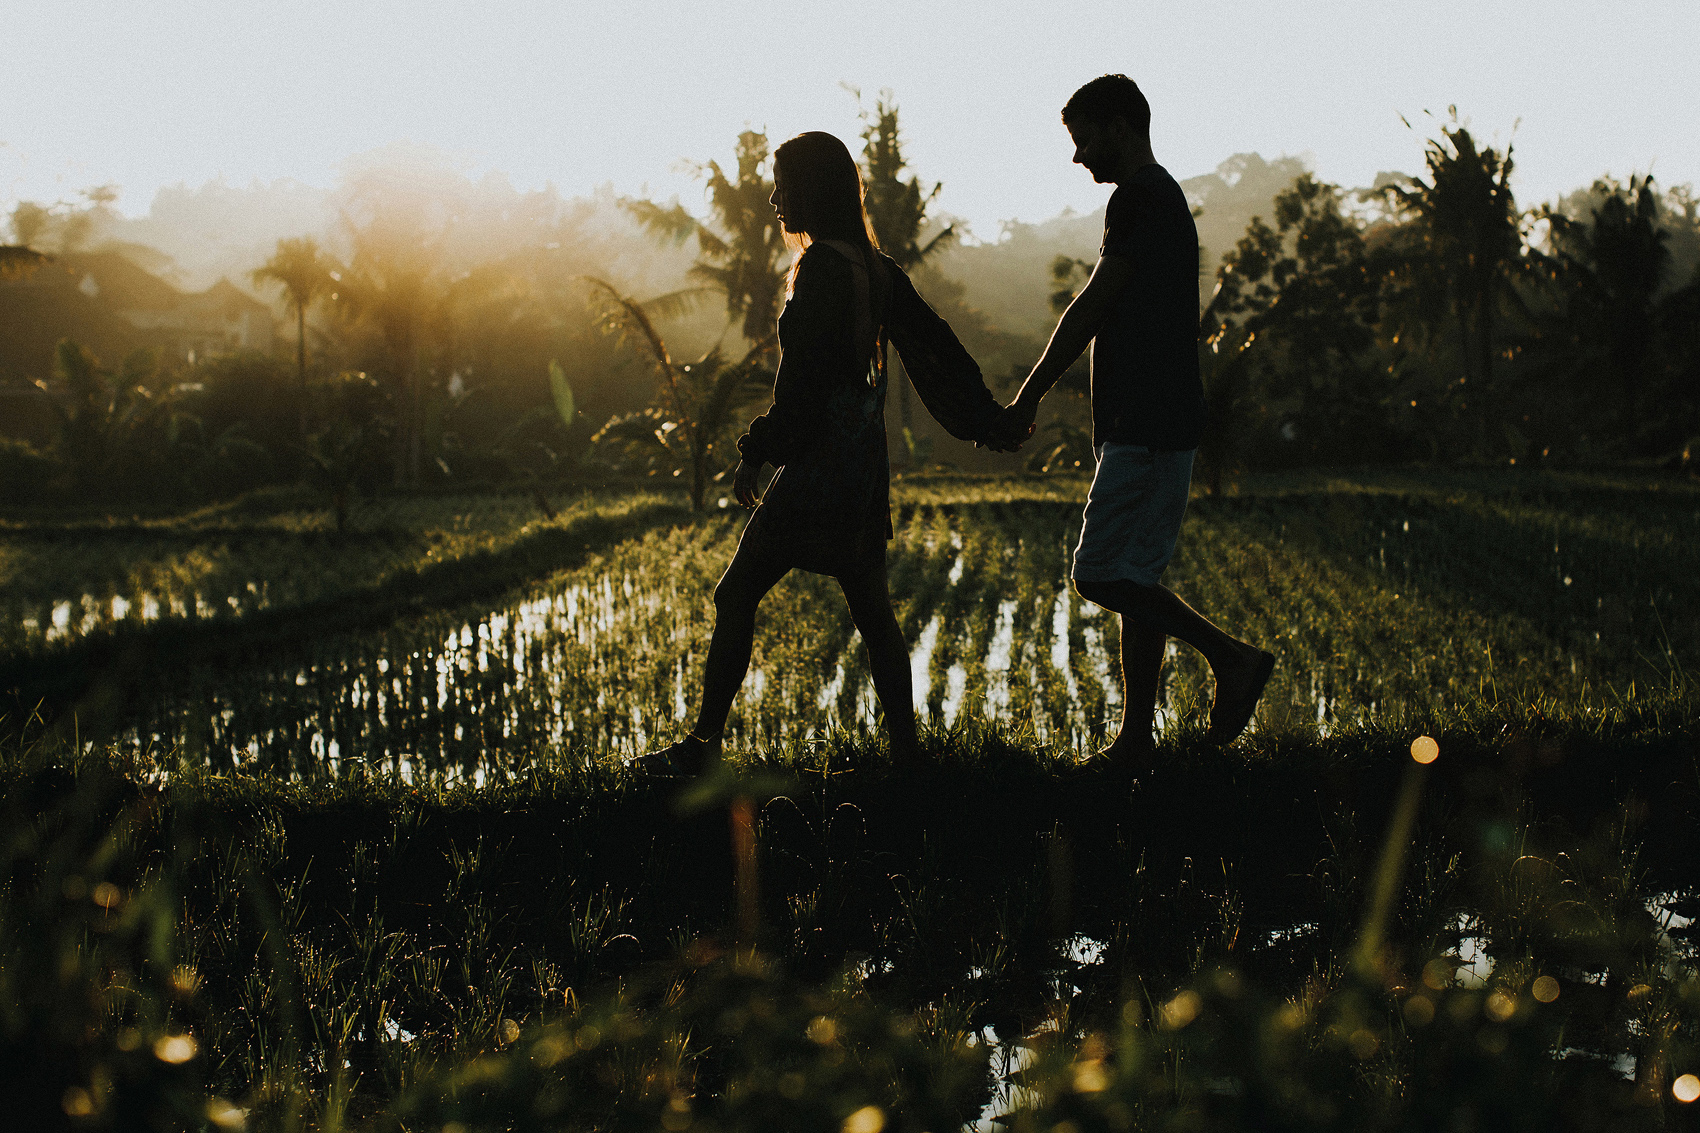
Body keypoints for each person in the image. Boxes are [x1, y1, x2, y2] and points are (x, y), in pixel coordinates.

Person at [650, 130, 1015, 775]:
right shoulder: (874, 267)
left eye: (783, 184)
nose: (774, 197)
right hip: (860, 463)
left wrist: (759, 450)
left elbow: (804, 383)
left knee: (738, 593)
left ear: (810, 191)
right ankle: (906, 755)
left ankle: (705, 743)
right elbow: (937, 345)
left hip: (817, 464)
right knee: (871, 606)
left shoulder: (821, 267)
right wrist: (986, 418)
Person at [992, 75, 1274, 763]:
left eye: (1083, 138)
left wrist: (1026, 398)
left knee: (1097, 574)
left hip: (1145, 422)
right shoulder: (1164, 198)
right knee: (1136, 581)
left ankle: (1232, 657)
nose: (1079, 155)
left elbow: (1091, 307)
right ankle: (1137, 738)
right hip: (1164, 418)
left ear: (1119, 127)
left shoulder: (1138, 199)